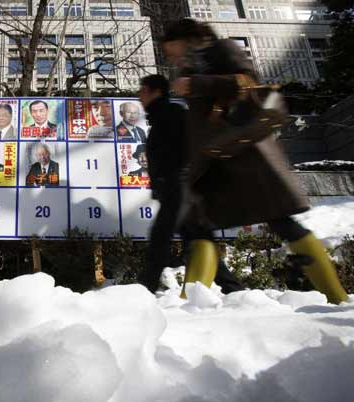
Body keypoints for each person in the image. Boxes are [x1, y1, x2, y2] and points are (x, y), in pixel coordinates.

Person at [162, 18, 349, 304]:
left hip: (248, 156)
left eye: (170, 49)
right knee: (197, 226)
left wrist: (195, 83)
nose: (170, 56)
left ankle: (336, 296)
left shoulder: (221, 49)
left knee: (282, 222)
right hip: (215, 162)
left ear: (185, 37)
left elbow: (248, 81)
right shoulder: (189, 66)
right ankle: (192, 303)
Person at [137, 74, 243, 295]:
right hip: (176, 187)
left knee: (161, 237)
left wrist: (180, 178)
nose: (139, 95)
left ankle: (144, 290)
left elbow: (190, 149)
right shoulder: (161, 116)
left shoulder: (172, 113)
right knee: (198, 238)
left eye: (143, 90)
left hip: (180, 186)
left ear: (156, 91)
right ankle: (235, 290)